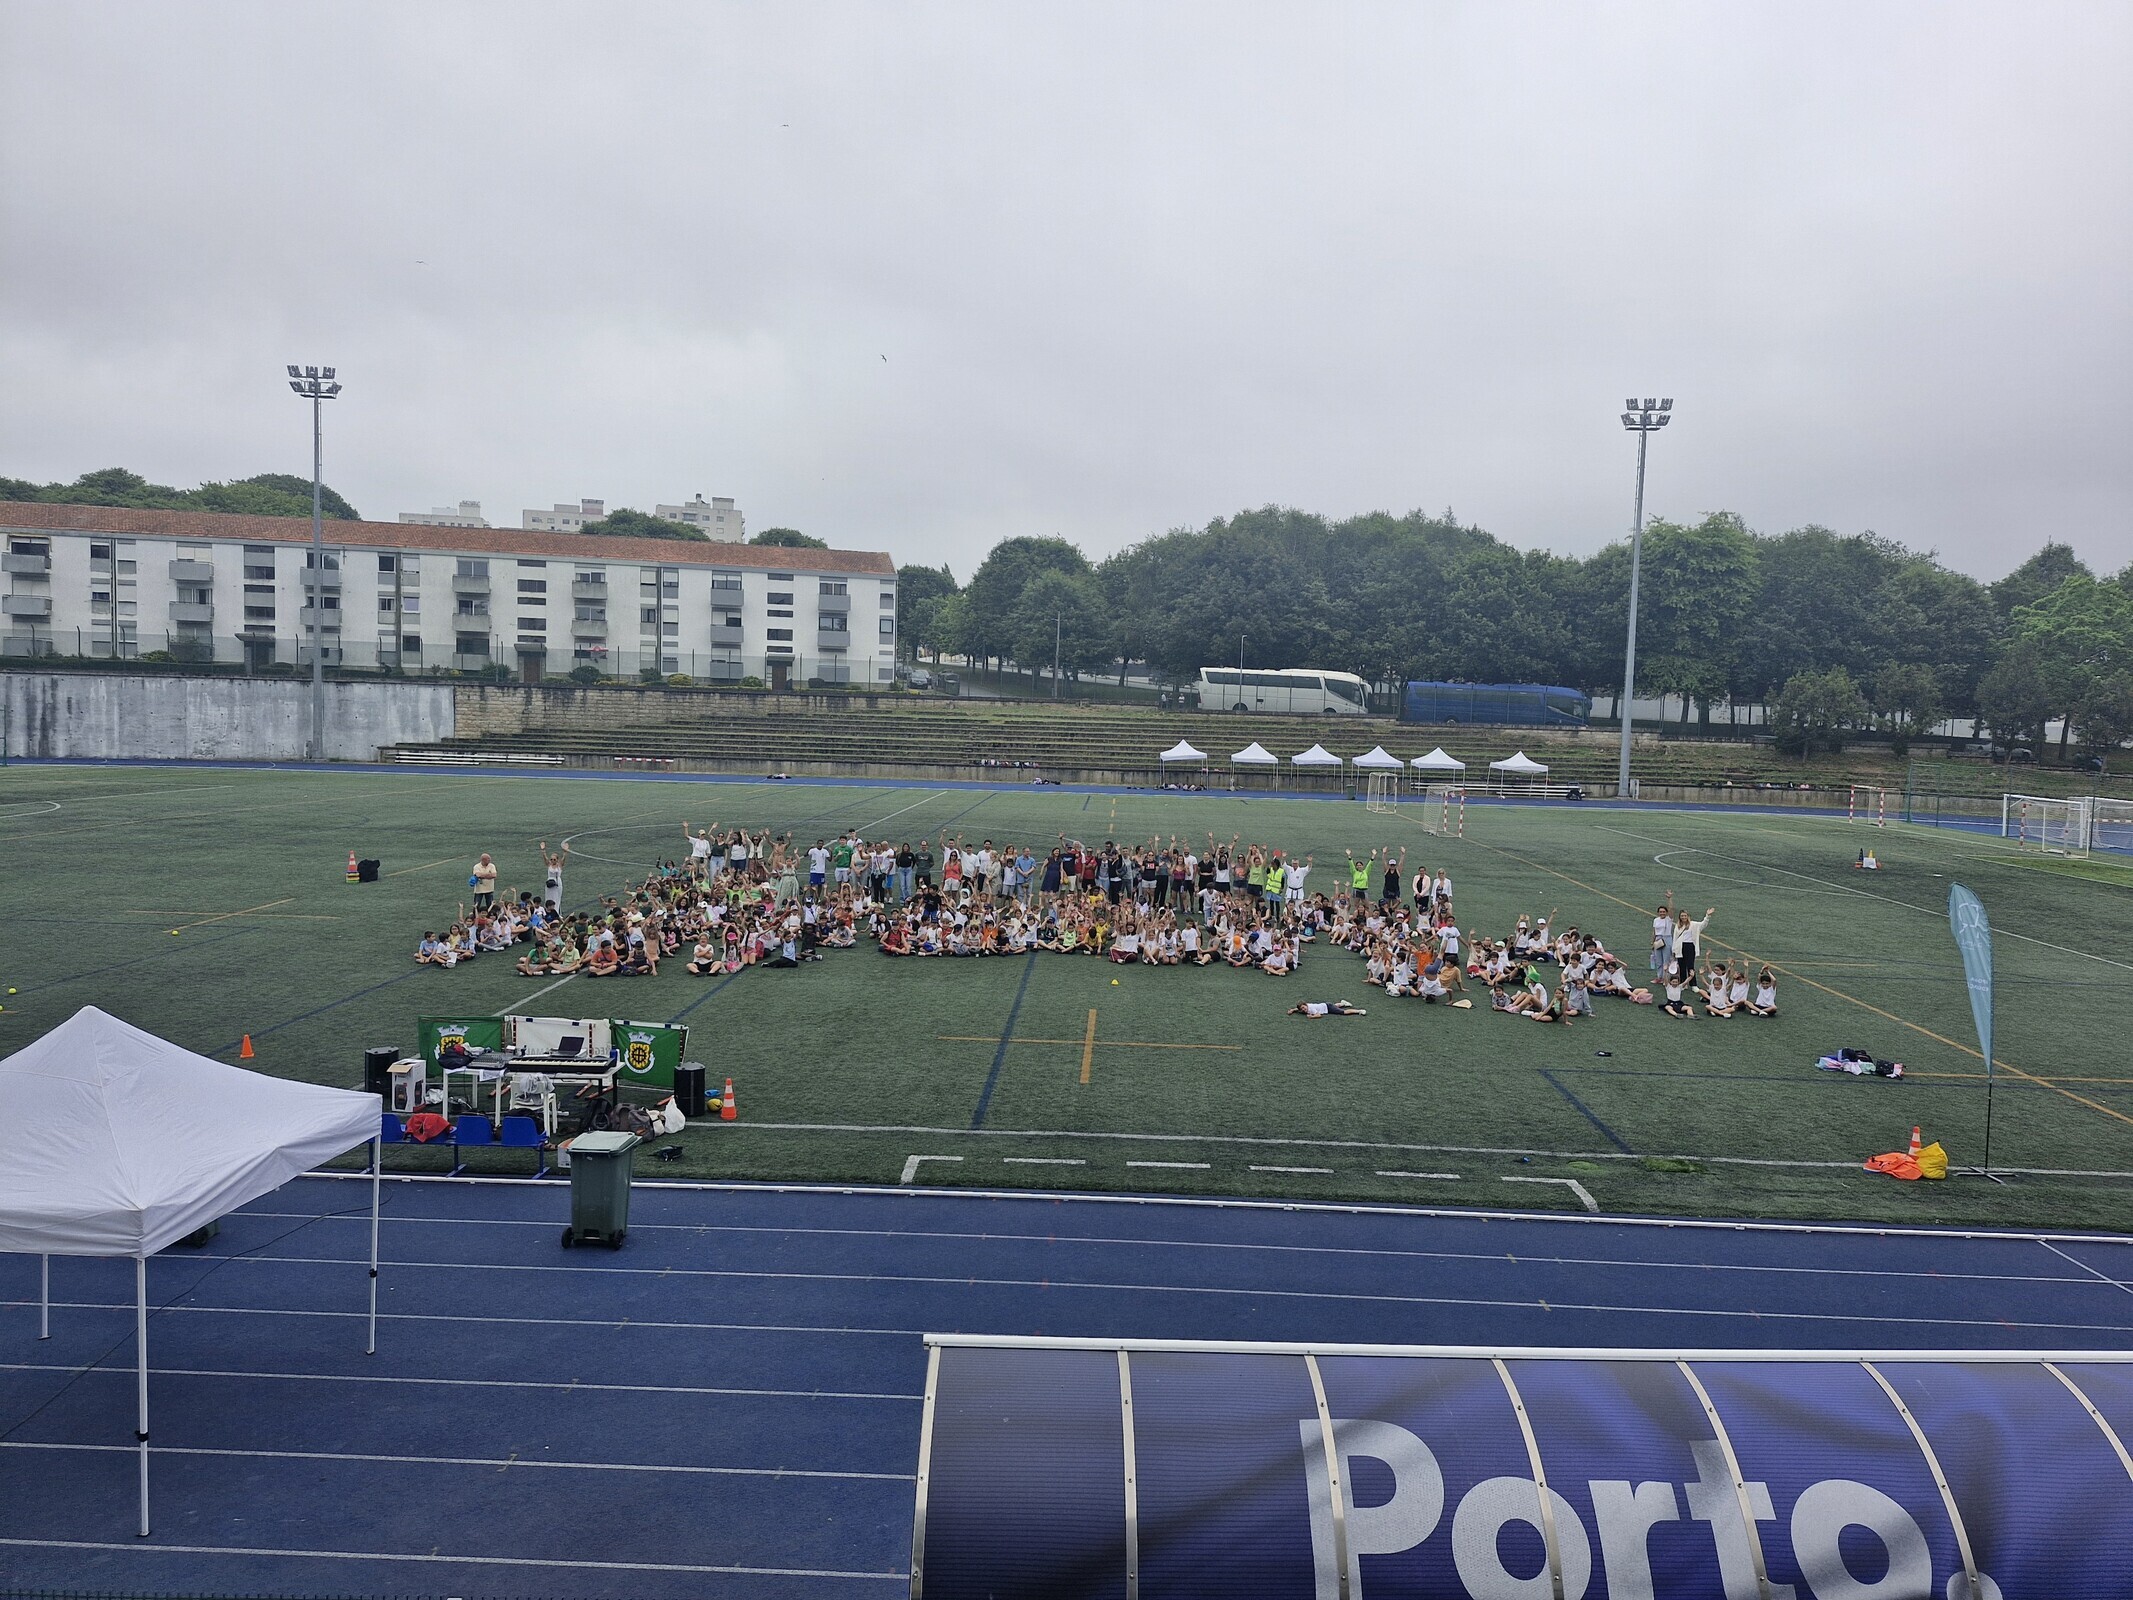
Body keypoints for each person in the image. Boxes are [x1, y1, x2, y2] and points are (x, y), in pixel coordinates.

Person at [539, 840, 570, 909]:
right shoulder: (549, 865)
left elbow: (564, 858)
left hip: (557, 881)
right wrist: (543, 850)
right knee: (548, 896)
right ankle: (547, 909)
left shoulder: (559, 865)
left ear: (557, 860)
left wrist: (565, 851)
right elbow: (545, 857)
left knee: (557, 897)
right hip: (550, 881)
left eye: (554, 859)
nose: (552, 861)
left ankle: (556, 910)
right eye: (551, 859)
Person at [1290, 999, 1366, 1017]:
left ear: (1306, 1005)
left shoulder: (1311, 1009)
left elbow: (1319, 1015)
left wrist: (1311, 1017)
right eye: (1302, 1009)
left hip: (1328, 1007)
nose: (1303, 1010)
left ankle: (1359, 1011)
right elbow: (1298, 1009)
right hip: (1326, 1005)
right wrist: (1292, 1010)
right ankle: (1343, 1003)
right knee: (1335, 1006)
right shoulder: (1307, 1006)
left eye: (1303, 1007)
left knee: (1343, 1012)